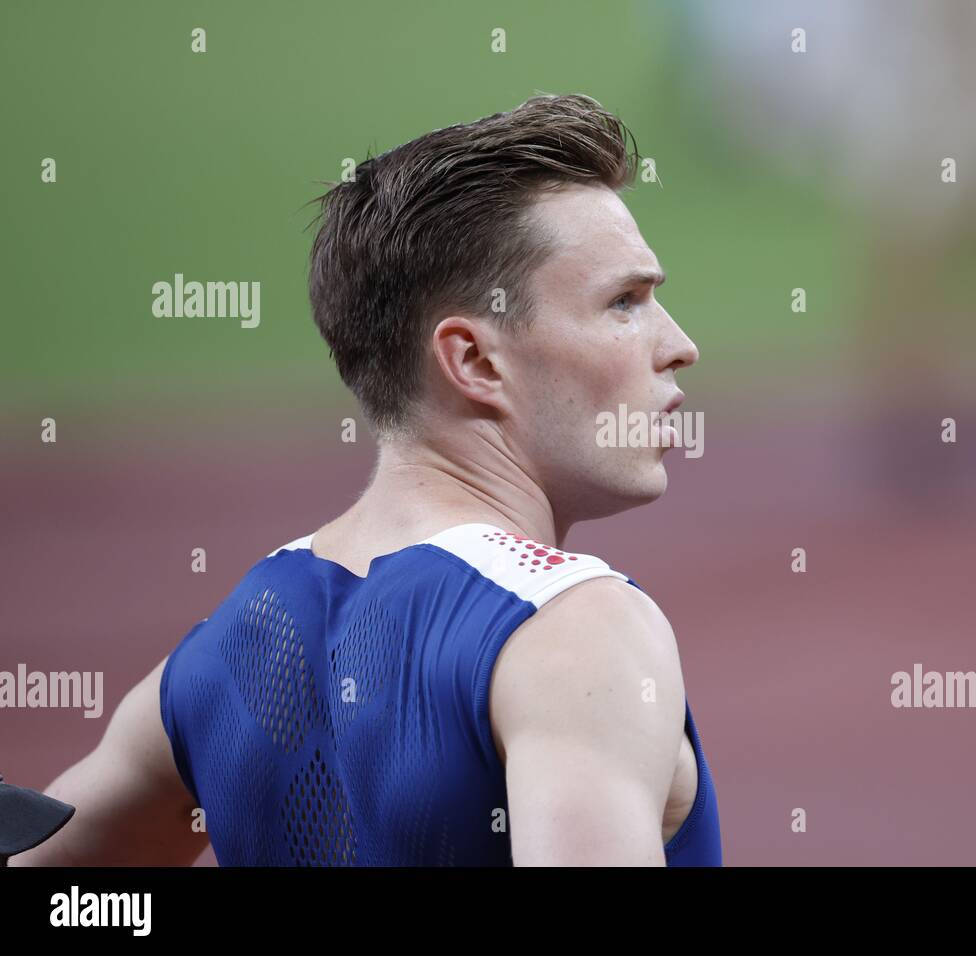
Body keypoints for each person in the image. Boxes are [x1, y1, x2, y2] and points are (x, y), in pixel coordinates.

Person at [11, 93, 719, 867]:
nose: (678, 344)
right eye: (624, 303)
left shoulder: (221, 656)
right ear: (476, 362)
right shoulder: (577, 631)